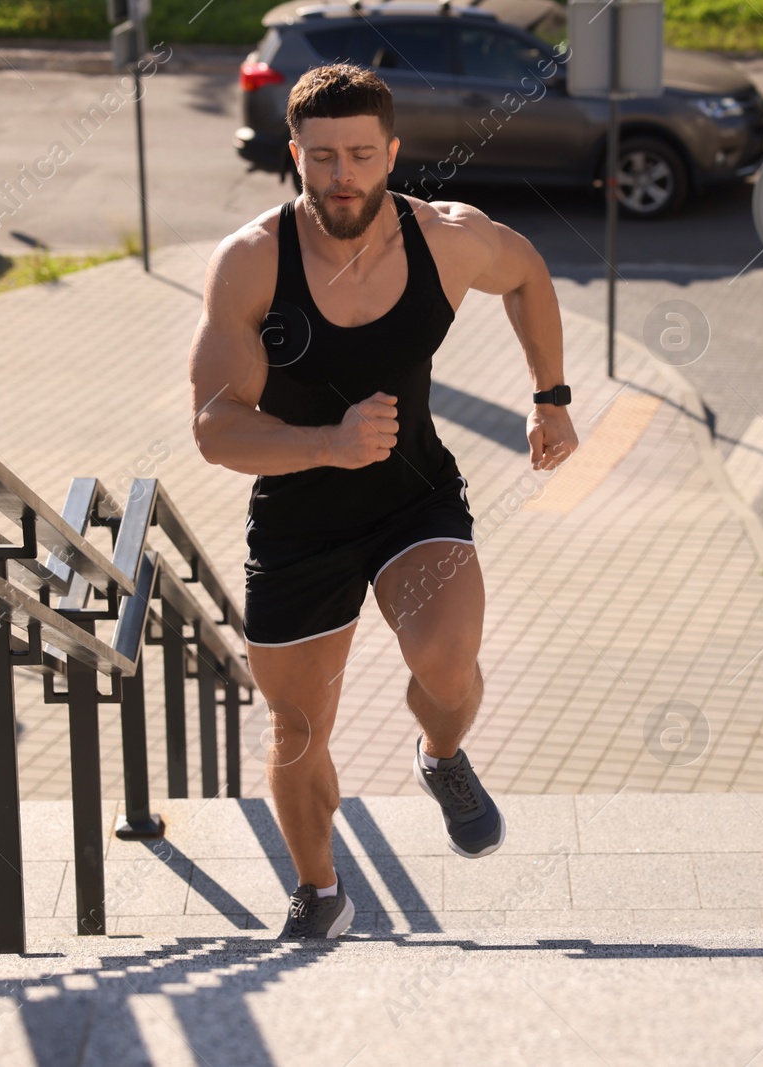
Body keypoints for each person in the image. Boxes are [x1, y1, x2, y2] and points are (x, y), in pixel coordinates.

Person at [190, 63, 578, 939]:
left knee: (447, 664)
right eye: (322, 157)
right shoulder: (252, 264)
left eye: (362, 155)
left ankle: (442, 756)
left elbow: (527, 273)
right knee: (296, 729)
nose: (343, 177)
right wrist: (326, 444)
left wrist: (550, 395)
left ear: (392, 152)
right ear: (294, 156)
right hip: (298, 520)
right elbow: (216, 428)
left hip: (413, 496)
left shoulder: (443, 238)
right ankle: (322, 891)